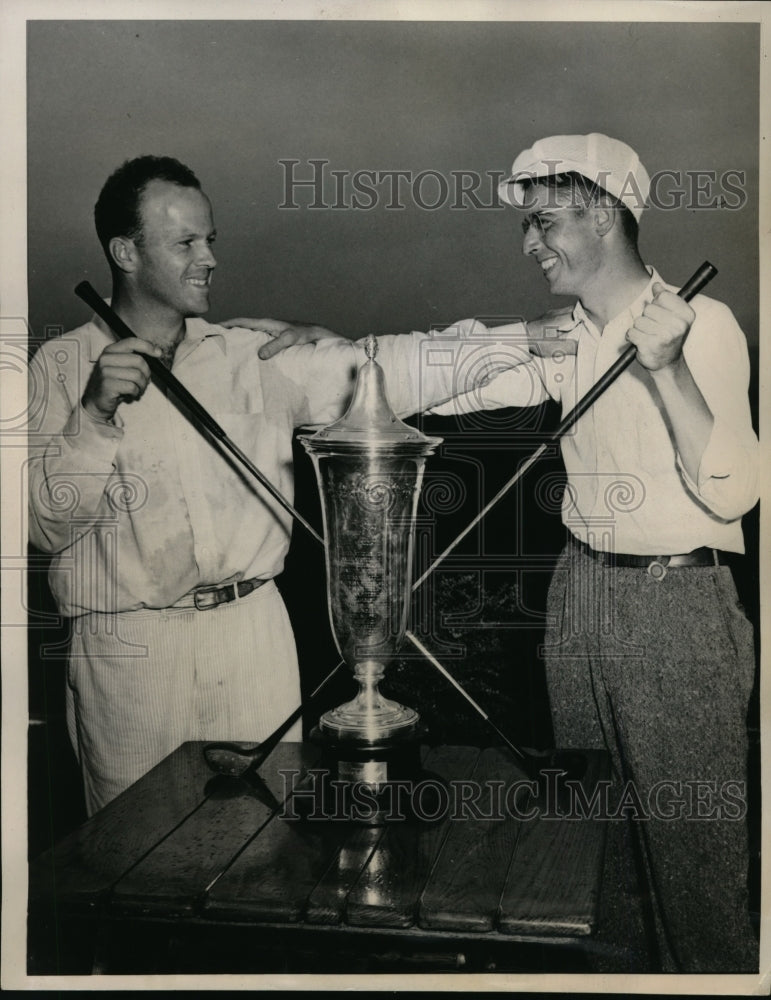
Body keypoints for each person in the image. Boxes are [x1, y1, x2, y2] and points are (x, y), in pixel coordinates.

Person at [241, 134, 759, 973]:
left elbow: (734, 492)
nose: (528, 243)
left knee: (692, 866)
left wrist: (666, 371)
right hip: (578, 597)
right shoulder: (567, 339)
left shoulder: (703, 327)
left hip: (676, 611)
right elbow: (447, 376)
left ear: (601, 213)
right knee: (598, 859)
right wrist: (333, 351)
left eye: (543, 221)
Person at [27, 155, 535, 816]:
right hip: (130, 651)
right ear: (125, 252)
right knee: (137, 864)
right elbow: (42, 527)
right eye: (185, 243)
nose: (208, 258)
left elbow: (385, 368)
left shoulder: (251, 355)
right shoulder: (59, 367)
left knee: (260, 851)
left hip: (252, 638)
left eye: (210, 240)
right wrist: (93, 416)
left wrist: (532, 339)